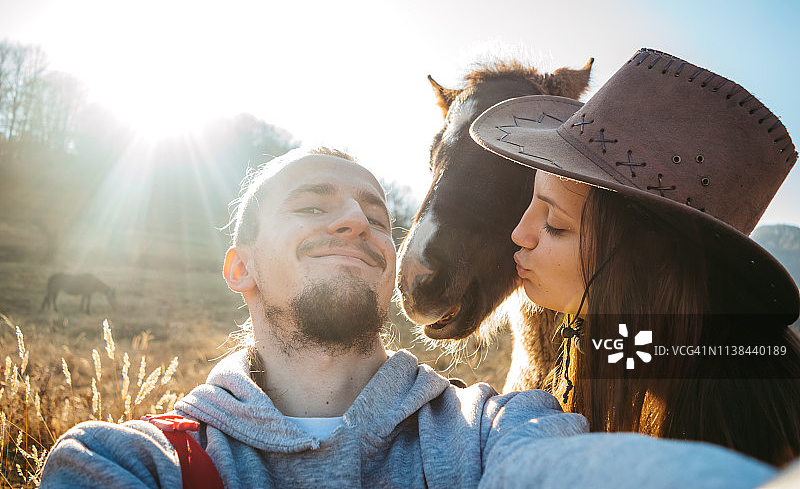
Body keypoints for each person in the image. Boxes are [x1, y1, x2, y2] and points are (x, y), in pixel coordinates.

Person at [40, 147, 783, 488]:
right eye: (310, 206)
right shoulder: (130, 462)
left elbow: (557, 467)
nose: (356, 225)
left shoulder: (499, 427)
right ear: (240, 269)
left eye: (374, 214)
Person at [470, 47, 800, 466]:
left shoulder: (745, 445)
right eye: (531, 203)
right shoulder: (622, 351)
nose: (519, 234)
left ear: (650, 262)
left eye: (555, 223)